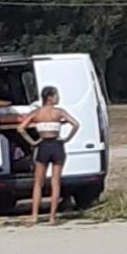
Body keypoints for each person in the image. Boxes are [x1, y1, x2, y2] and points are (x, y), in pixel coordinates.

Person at [17, 86, 80, 225]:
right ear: (50, 97)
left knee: (38, 183)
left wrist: (33, 142)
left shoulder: (37, 113)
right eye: (57, 95)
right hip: (57, 146)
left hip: (43, 146)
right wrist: (67, 138)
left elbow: (20, 128)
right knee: (55, 182)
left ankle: (34, 216)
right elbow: (75, 124)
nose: (59, 98)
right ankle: (52, 217)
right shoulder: (59, 112)